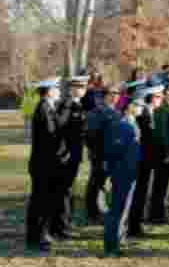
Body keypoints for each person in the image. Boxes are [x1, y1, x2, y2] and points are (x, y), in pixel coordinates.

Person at [26, 78, 67, 252]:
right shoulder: (43, 109)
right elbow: (50, 137)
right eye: (56, 88)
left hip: (47, 163)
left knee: (45, 200)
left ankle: (43, 234)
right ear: (49, 91)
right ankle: (36, 238)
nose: (59, 91)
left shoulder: (48, 107)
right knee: (40, 202)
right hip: (43, 164)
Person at [103, 96, 143, 255]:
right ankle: (111, 245)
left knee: (125, 208)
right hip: (122, 172)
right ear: (128, 107)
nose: (141, 107)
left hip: (130, 171)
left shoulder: (132, 123)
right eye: (137, 104)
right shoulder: (121, 125)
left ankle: (120, 239)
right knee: (117, 209)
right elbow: (115, 151)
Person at [53, 74, 89, 240]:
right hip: (66, 156)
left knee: (68, 190)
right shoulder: (66, 105)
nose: (82, 90)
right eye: (78, 87)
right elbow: (59, 128)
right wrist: (64, 153)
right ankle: (61, 227)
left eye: (84, 87)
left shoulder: (78, 105)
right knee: (63, 191)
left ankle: (65, 223)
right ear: (71, 88)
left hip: (75, 155)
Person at [128, 85, 163, 238]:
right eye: (159, 96)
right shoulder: (144, 116)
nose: (161, 99)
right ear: (152, 98)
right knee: (139, 193)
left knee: (143, 193)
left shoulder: (150, 113)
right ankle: (133, 226)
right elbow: (145, 141)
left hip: (147, 161)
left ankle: (137, 224)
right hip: (142, 162)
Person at [85, 84, 121, 224]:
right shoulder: (98, 112)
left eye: (117, 93)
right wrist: (99, 155)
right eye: (112, 93)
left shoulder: (116, 111)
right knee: (96, 183)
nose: (115, 96)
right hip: (101, 156)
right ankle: (93, 213)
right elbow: (91, 137)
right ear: (105, 95)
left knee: (103, 185)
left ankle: (101, 209)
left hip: (113, 155)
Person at [149, 84, 169, 224]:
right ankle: (156, 214)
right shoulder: (162, 109)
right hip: (163, 152)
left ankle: (159, 211)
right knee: (160, 184)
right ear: (164, 93)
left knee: (164, 183)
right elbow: (161, 133)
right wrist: (166, 152)